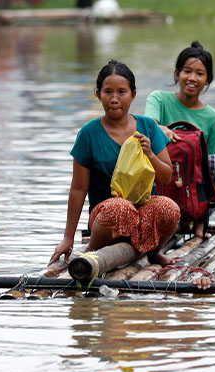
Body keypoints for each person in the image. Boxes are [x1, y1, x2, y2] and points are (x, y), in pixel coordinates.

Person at [49, 60, 181, 267]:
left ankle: (153, 252)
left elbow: (166, 176)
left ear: (133, 95)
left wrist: (150, 155)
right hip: (107, 216)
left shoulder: (148, 127)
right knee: (121, 208)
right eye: (108, 92)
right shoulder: (89, 134)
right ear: (97, 94)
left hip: (143, 212)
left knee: (169, 208)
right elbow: (78, 188)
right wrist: (68, 238)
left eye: (122, 92)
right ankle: (93, 251)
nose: (114, 99)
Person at [145, 41, 215, 237]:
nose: (192, 78)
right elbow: (148, 126)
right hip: (160, 184)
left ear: (208, 80)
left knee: (214, 162)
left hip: (192, 194)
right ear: (177, 74)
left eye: (200, 73)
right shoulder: (159, 100)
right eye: (187, 71)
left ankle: (200, 222)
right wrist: (161, 128)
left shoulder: (212, 118)